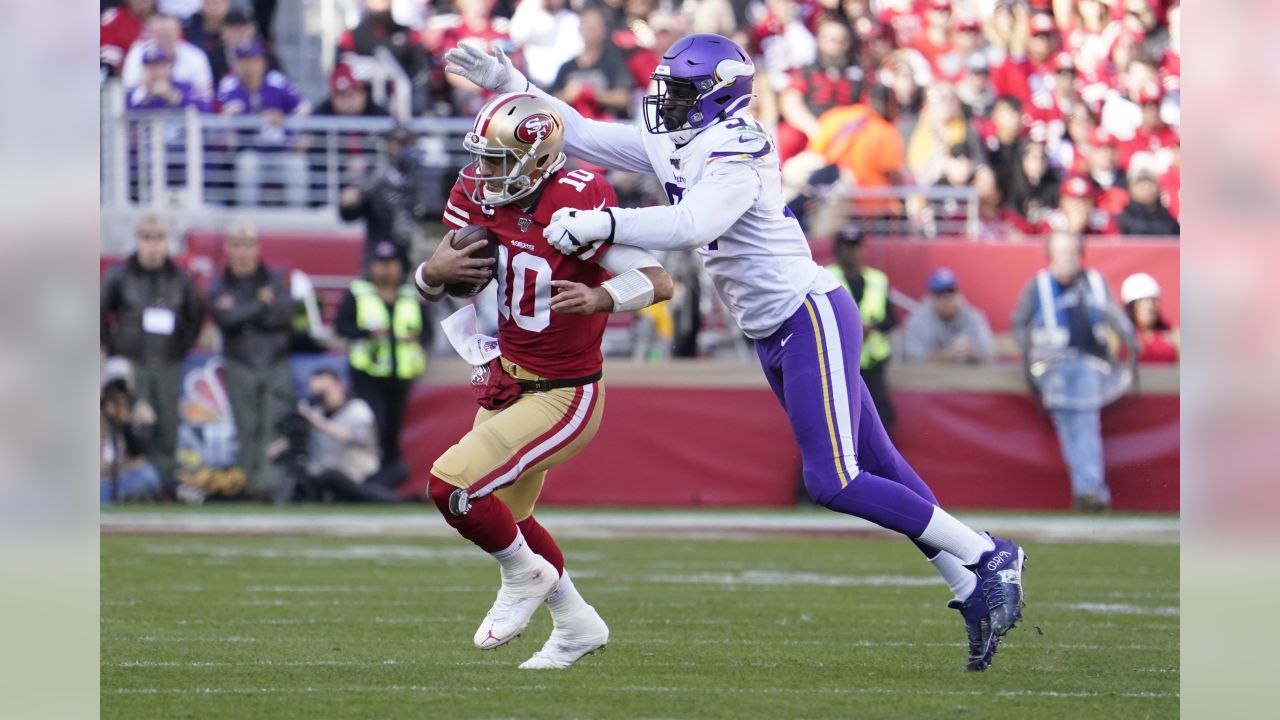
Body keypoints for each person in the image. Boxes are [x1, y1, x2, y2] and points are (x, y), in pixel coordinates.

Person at [446, 33, 1027, 673]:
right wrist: (509, 82)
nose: (667, 100)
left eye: (684, 90)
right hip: (774, 330)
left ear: (719, 96)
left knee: (834, 480)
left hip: (809, 314)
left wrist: (605, 223)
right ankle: (972, 580)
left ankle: (987, 555)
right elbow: (577, 131)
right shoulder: (681, 135)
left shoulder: (738, 147)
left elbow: (694, 224)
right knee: (879, 462)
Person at [413, 92, 674, 669]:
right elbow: (435, 282)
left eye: (498, 160)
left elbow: (659, 281)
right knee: (514, 517)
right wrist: (429, 273)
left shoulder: (576, 201)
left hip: (564, 393)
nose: (484, 173)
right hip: (507, 381)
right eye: (481, 159)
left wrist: (601, 295)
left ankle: (521, 576)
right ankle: (577, 623)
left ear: (536, 158)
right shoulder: (477, 193)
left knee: (452, 486)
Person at [1011, 231, 1138, 513]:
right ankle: (1088, 489)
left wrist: (1130, 342)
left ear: (1080, 253)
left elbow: (1114, 316)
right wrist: (1029, 350)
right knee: (1074, 429)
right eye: (1062, 252)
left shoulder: (1093, 282)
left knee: (1082, 425)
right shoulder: (1038, 286)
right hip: (1052, 368)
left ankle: (1089, 491)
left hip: (1089, 364)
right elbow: (1019, 324)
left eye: (1072, 251)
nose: (1068, 258)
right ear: (1051, 255)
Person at [100, 214, 204, 489]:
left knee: (168, 425)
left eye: (158, 238)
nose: (152, 245)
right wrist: (114, 348)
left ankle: (165, 485)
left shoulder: (180, 279)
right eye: (146, 238)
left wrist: (181, 347)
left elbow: (195, 316)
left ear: (166, 242)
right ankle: (136, 485)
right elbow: (99, 312)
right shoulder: (119, 276)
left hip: (168, 361)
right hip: (133, 361)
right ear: (137, 241)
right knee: (135, 426)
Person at [207, 220, 296, 502]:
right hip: (240, 361)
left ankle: (270, 485)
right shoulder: (219, 285)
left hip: (274, 360)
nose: (243, 251)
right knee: (247, 426)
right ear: (227, 247)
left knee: (273, 425)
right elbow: (226, 319)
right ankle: (249, 484)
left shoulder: (273, 278)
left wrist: (245, 312)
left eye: (248, 244)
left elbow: (283, 316)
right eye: (237, 244)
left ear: (257, 247)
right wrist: (260, 305)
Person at [334, 241, 429, 474]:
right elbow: (341, 327)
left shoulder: (411, 294)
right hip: (367, 371)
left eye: (391, 263)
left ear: (400, 266)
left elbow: (428, 332)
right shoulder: (358, 292)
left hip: (402, 372)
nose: (386, 270)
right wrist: (367, 333)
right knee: (373, 423)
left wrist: (415, 338)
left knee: (393, 427)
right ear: (371, 266)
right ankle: (370, 472)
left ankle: (390, 475)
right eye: (380, 264)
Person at [274, 368, 402, 503]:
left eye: (324, 392)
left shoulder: (357, 409)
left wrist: (316, 421)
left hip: (358, 476)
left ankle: (398, 501)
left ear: (340, 386)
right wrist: (280, 447)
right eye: (315, 393)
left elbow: (352, 437)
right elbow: (299, 436)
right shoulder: (316, 412)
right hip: (324, 476)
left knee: (396, 470)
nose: (321, 397)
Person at [217, 41, 310, 207]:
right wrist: (241, 116)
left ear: (262, 62)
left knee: (297, 165)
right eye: (242, 60)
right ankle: (248, 218)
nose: (247, 66)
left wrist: (286, 121)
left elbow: (304, 108)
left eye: (252, 60)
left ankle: (296, 220)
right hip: (250, 151)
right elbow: (221, 118)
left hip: (282, 150)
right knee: (247, 165)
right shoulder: (230, 85)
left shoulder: (277, 82)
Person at [825, 226, 897, 433]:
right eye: (847, 247)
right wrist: (852, 329)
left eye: (855, 246)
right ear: (837, 249)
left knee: (881, 420)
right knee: (831, 423)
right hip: (837, 363)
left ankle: (878, 465)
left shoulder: (877, 279)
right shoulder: (825, 277)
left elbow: (891, 320)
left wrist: (871, 328)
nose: (851, 252)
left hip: (872, 365)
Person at [338, 126, 435, 271]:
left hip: (414, 258)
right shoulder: (373, 178)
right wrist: (350, 203)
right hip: (380, 257)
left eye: (406, 143)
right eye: (397, 142)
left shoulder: (425, 179)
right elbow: (350, 213)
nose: (402, 149)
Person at [549, 5, 635, 121]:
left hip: (604, 126)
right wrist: (568, 94)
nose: (589, 29)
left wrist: (592, 94)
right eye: (586, 24)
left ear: (603, 29)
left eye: (594, 25)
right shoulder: (567, 67)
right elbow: (550, 101)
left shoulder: (614, 63)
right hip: (573, 127)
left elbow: (624, 98)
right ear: (579, 28)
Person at [100, 358, 162, 503]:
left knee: (149, 476)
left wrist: (125, 423)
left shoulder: (140, 409)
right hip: (101, 477)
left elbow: (141, 449)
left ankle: (127, 498)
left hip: (128, 473)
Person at [902, 268, 996, 364]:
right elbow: (913, 360)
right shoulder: (917, 321)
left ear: (959, 294)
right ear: (930, 297)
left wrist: (970, 353)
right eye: (940, 294)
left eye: (951, 292)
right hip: (928, 378)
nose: (946, 299)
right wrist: (946, 354)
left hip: (965, 378)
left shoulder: (973, 318)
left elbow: (989, 356)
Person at [121, 13, 214, 102]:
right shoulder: (138, 55)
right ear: (148, 35)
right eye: (158, 35)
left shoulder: (195, 56)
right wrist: (144, 88)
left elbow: (206, 100)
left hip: (183, 116)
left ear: (178, 33)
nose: (163, 40)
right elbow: (126, 96)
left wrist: (173, 95)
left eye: (167, 34)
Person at [126, 44, 212, 111]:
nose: (155, 72)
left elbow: (206, 109)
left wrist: (173, 96)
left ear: (168, 67)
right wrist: (144, 94)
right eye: (150, 67)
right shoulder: (133, 94)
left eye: (159, 66)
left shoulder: (185, 87)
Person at [1120, 272, 1178, 363]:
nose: (1149, 308)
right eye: (1142, 303)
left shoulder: (1173, 336)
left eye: (1152, 302)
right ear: (1130, 307)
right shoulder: (1118, 338)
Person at [1116, 165, 1179, 236]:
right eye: (1140, 184)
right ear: (1130, 188)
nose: (1147, 188)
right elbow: (1137, 230)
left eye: (1150, 183)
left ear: (1158, 188)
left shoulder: (1166, 214)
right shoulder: (1125, 214)